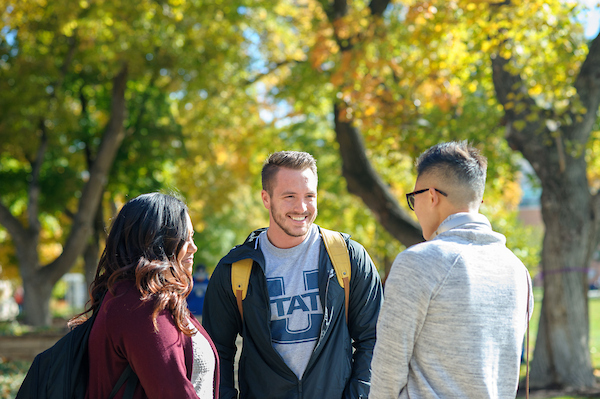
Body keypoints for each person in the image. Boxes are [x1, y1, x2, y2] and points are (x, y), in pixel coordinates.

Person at [202, 151, 383, 399]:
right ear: (266, 199)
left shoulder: (348, 257)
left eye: (309, 196)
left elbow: (374, 339)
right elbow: (216, 351)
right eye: (289, 197)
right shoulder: (234, 269)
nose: (302, 207)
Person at [370, 141, 533, 399]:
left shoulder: (418, 262)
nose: (415, 210)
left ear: (432, 196)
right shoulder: (517, 270)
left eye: (414, 199)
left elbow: (387, 369)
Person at [70, 193, 220, 398]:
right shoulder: (139, 306)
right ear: (158, 242)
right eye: (185, 238)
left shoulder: (140, 298)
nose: (194, 247)